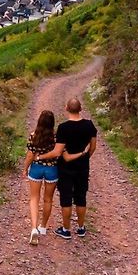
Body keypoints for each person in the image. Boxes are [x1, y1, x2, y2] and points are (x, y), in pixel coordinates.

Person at [36, 98, 97, 240]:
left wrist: (40, 157)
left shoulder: (63, 128)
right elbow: (93, 147)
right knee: (81, 197)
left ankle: (66, 229)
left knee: (66, 198)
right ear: (81, 108)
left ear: (66, 108)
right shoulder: (89, 125)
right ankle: (81, 228)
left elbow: (57, 152)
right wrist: (84, 156)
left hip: (66, 168)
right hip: (83, 167)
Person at [23, 110, 86, 245]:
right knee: (48, 200)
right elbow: (64, 155)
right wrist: (83, 153)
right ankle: (43, 227)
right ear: (52, 123)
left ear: (39, 121)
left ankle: (34, 228)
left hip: (36, 168)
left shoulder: (34, 136)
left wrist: (25, 168)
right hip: (52, 170)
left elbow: (30, 155)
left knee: (34, 198)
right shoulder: (57, 137)